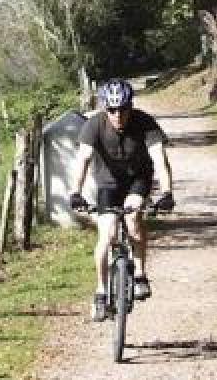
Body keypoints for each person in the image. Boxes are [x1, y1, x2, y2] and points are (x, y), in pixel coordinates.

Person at [68, 78, 174, 322]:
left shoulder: (145, 123)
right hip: (108, 183)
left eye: (123, 109)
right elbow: (82, 160)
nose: (118, 115)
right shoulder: (94, 125)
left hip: (138, 179)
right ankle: (101, 291)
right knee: (107, 235)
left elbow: (160, 160)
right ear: (105, 108)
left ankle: (140, 274)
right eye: (112, 110)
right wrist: (76, 192)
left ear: (131, 106)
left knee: (134, 217)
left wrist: (166, 192)